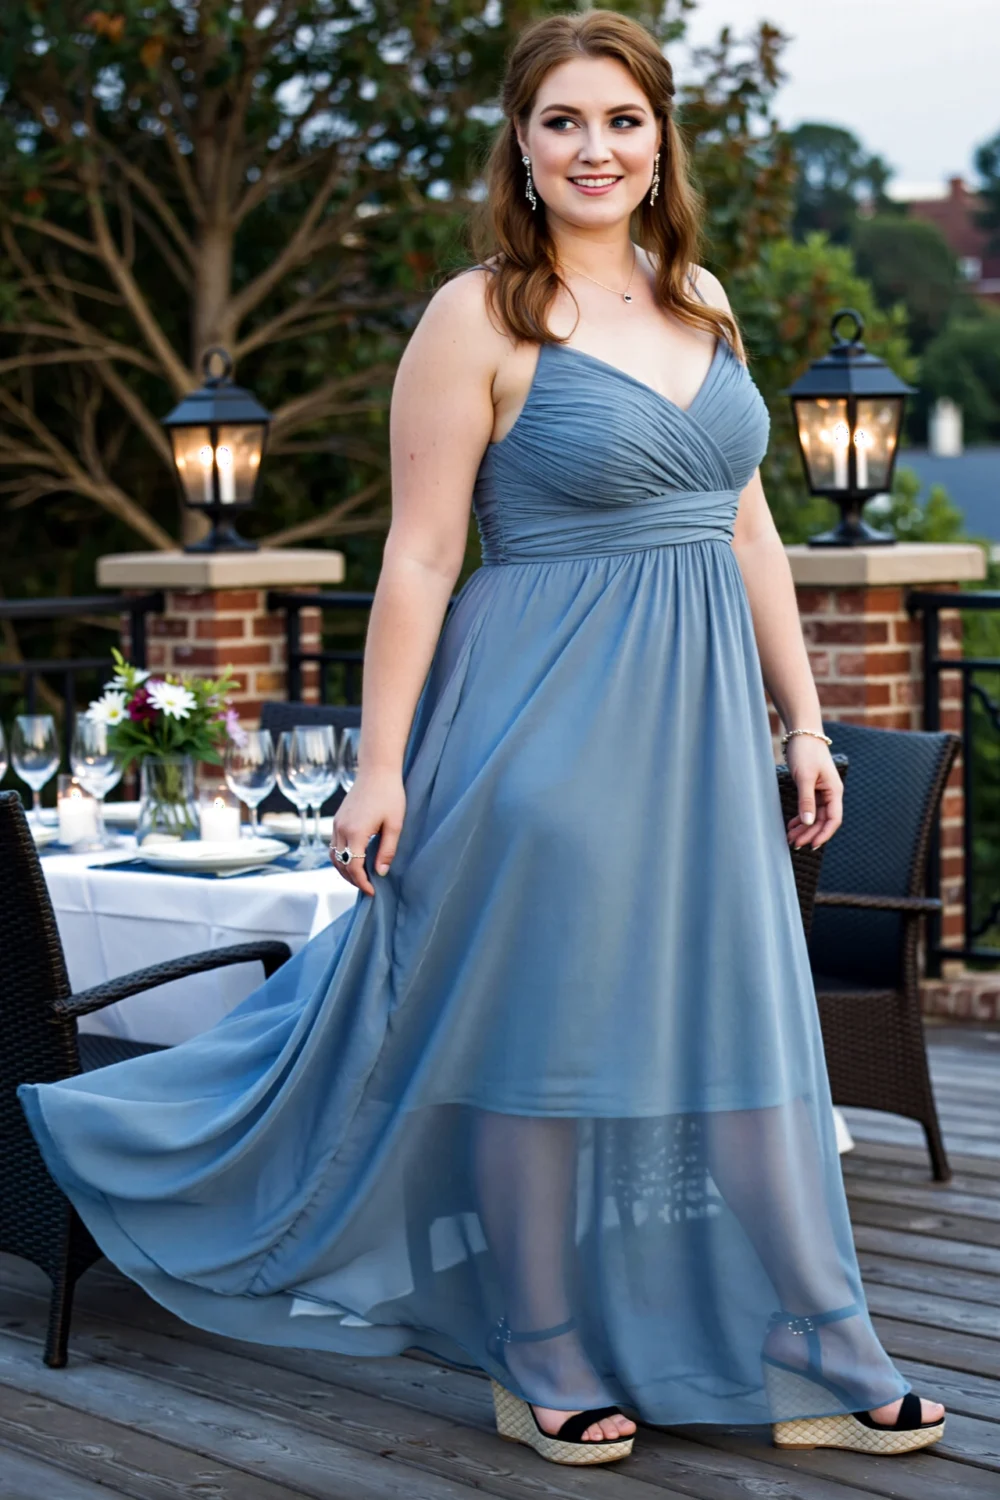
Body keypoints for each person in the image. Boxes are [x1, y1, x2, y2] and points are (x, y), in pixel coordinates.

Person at [18, 8, 945, 1471]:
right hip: (539, 727)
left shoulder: (701, 299)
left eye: (623, 120)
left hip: (703, 742)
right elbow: (419, 556)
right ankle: (543, 1345)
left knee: (745, 1022)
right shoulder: (480, 316)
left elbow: (748, 527)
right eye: (563, 121)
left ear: (661, 143)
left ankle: (826, 1336)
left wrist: (807, 719)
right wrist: (382, 766)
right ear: (521, 144)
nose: (595, 148)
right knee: (543, 1037)